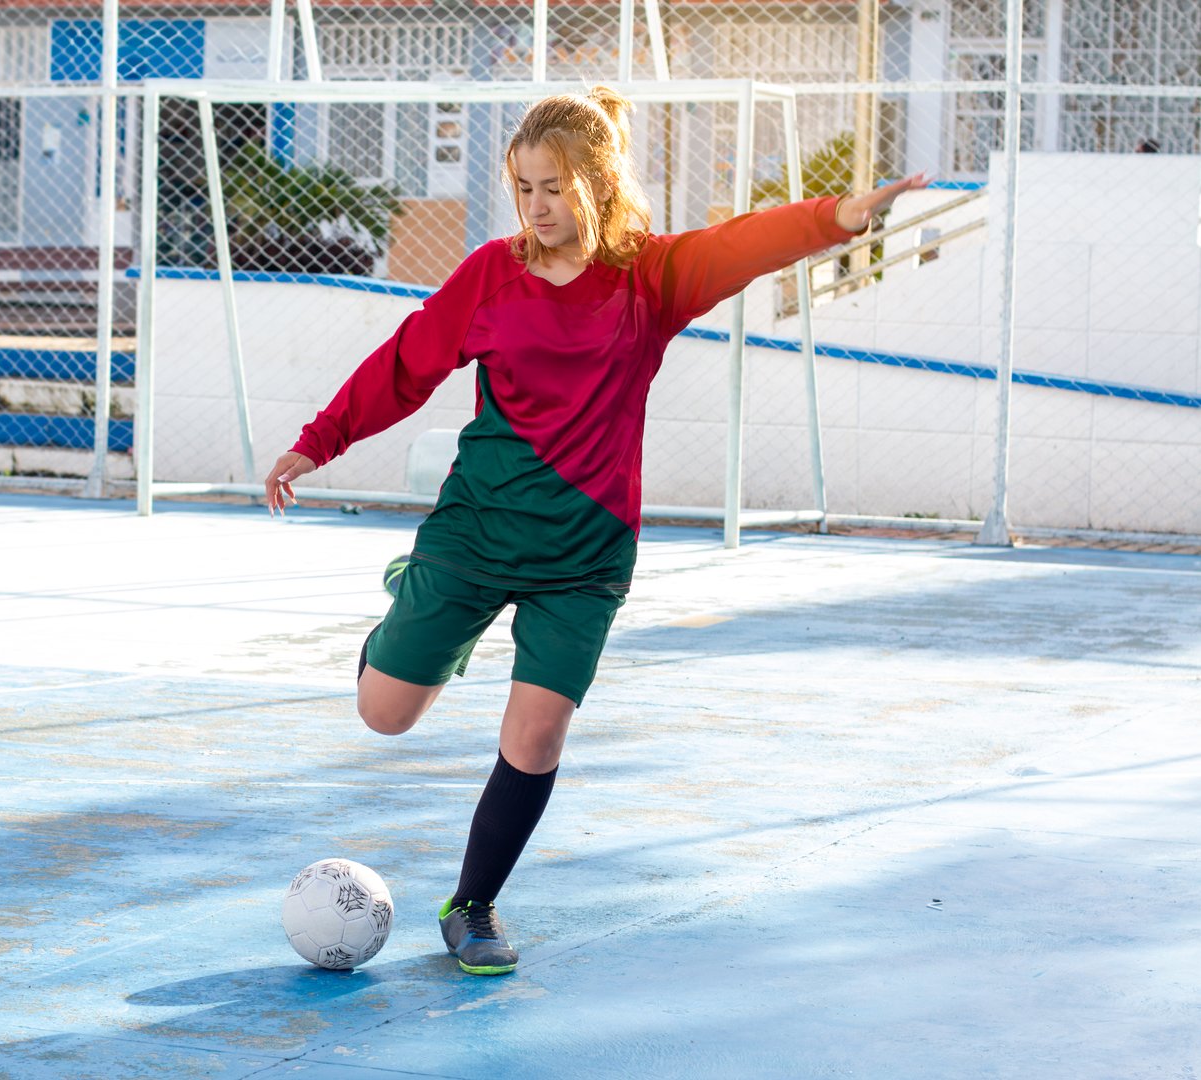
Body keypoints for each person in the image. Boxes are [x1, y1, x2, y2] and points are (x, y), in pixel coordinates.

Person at [263, 87, 929, 976]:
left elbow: (739, 247)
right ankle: (409, 608)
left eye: (553, 187)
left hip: (585, 555)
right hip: (477, 530)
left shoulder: (649, 279)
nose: (536, 208)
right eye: (525, 189)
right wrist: (319, 443)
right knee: (384, 715)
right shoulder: (491, 276)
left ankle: (473, 905)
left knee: (535, 737)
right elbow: (406, 365)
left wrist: (837, 217)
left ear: (599, 184)